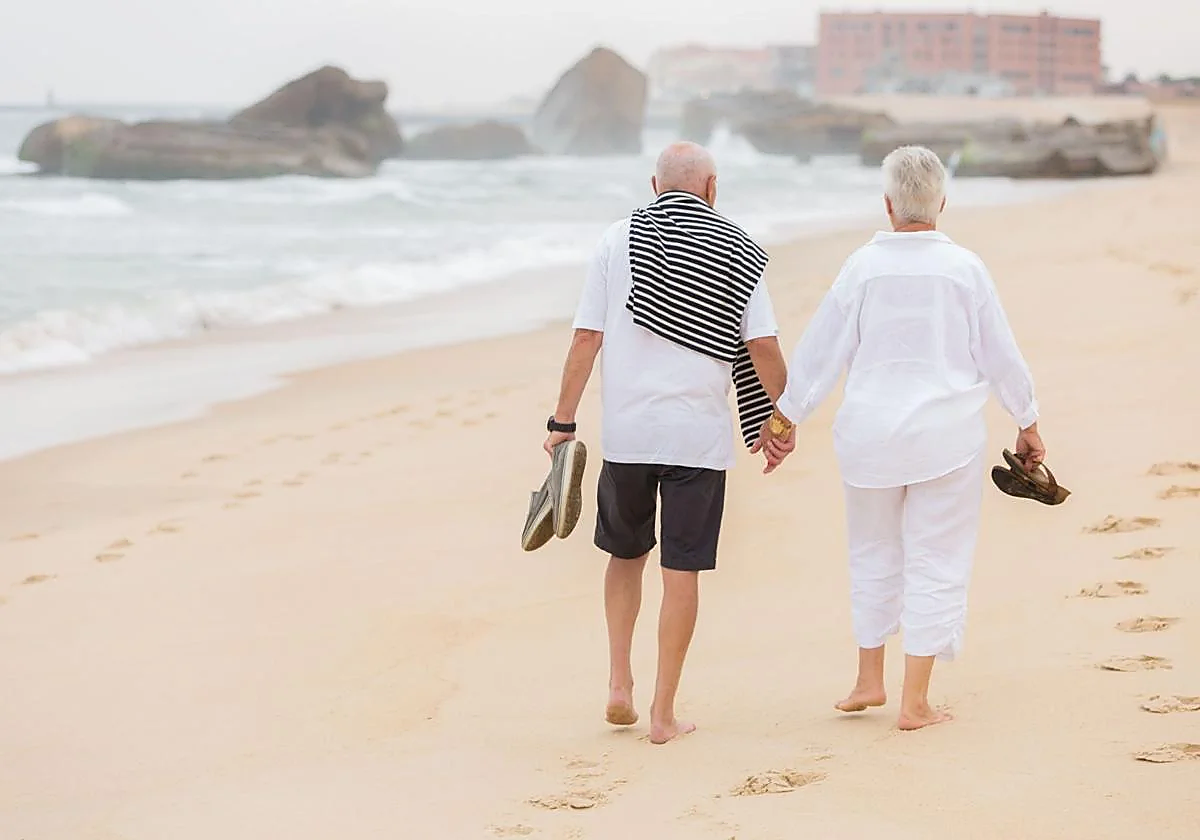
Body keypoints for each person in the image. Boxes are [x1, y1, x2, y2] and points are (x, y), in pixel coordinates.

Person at [757, 145, 1045, 731]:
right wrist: (1027, 418)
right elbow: (999, 352)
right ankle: (914, 702)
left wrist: (786, 418)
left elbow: (820, 352)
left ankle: (868, 678)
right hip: (946, 439)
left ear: (887, 205)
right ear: (941, 202)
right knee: (936, 558)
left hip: (869, 439)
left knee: (872, 551)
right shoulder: (965, 267)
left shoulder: (862, 267)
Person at [543, 142, 790, 744]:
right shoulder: (741, 250)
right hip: (697, 443)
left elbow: (586, 337)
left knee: (624, 556)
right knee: (682, 572)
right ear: (711, 187)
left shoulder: (614, 241)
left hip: (629, 436)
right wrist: (782, 417)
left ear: (655, 184)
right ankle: (662, 714)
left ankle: (618, 683)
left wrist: (562, 421)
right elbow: (762, 350)